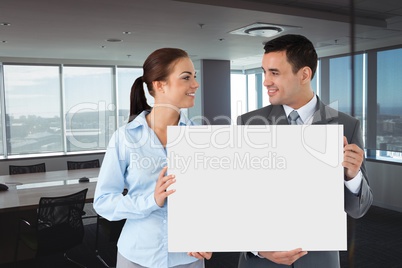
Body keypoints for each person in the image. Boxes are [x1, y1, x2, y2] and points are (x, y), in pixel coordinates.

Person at [237, 34, 373, 268]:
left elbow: (359, 210)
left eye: (275, 73)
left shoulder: (347, 125)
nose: (266, 81)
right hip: (261, 262)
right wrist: (259, 248)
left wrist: (353, 176)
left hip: (319, 260)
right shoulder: (249, 123)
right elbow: (235, 200)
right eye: (264, 72)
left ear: (304, 74)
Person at [94, 48, 212, 268]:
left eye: (194, 77)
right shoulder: (125, 137)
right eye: (186, 77)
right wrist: (151, 201)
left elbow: (209, 199)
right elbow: (103, 202)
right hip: (138, 256)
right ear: (159, 85)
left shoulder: (200, 137)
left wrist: (206, 233)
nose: (195, 84)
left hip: (187, 259)